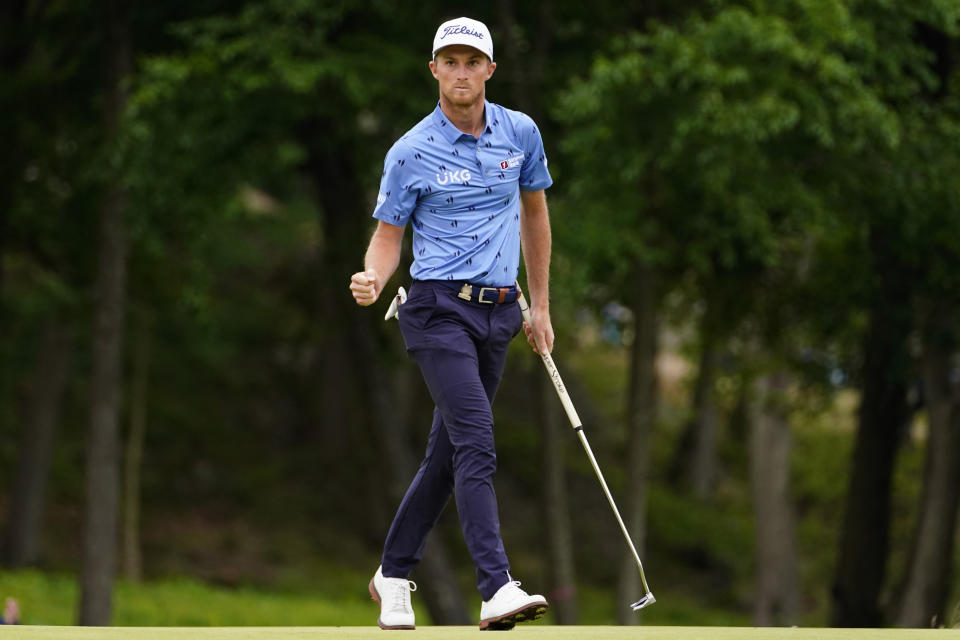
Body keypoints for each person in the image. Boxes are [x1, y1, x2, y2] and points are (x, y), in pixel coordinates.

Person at [349, 15, 554, 631]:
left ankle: (392, 572)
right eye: (450, 62)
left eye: (473, 62)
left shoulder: (520, 132)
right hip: (436, 309)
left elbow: (536, 216)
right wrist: (374, 278)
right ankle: (496, 587)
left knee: (447, 458)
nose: (461, 72)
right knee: (477, 442)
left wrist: (540, 305)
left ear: (489, 70)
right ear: (434, 69)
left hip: (498, 313)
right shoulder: (410, 151)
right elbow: (388, 237)